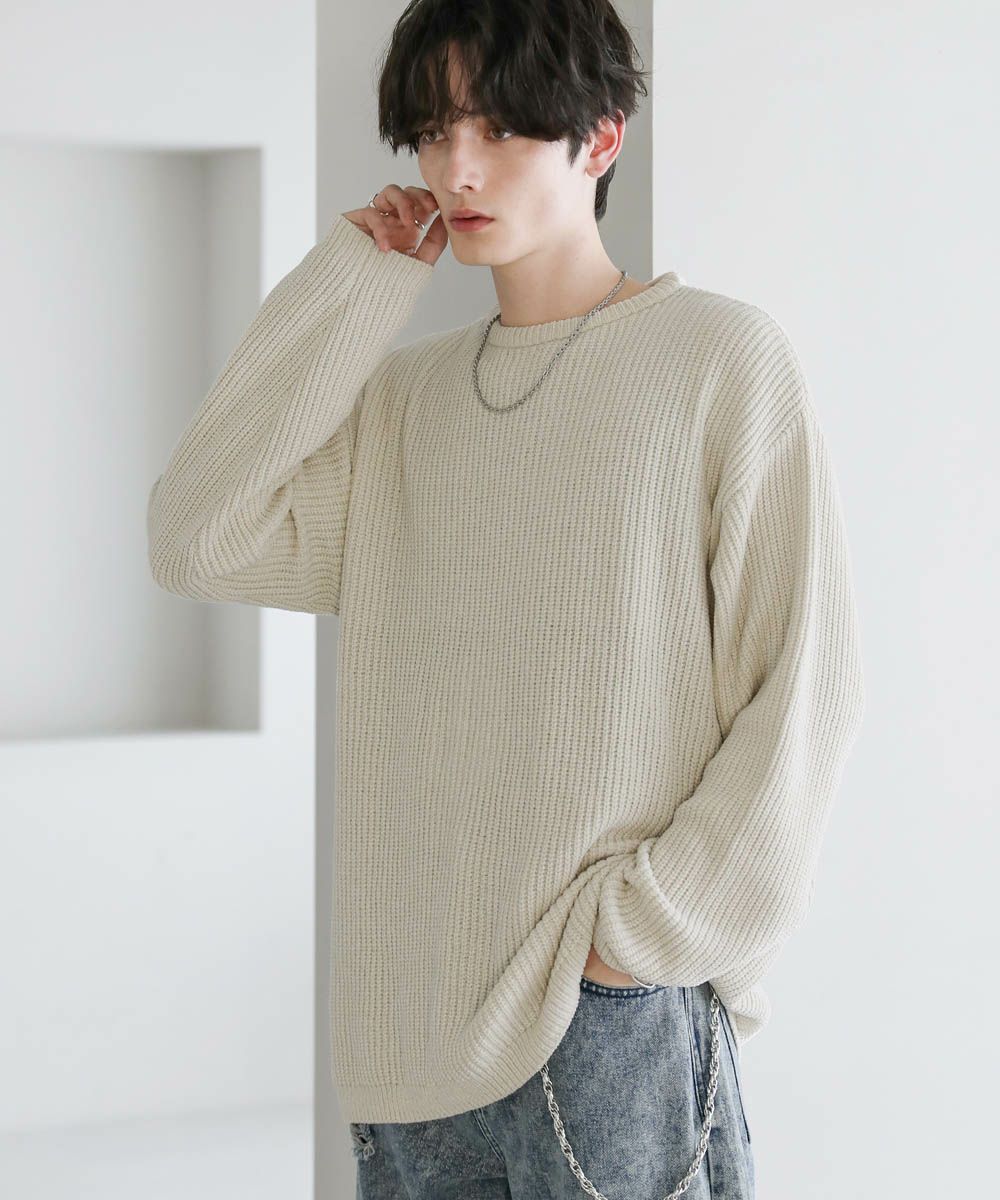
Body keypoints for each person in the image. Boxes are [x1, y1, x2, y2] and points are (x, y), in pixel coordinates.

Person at [146, 2, 866, 1197]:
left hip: (606, 1025)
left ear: (601, 136)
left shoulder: (716, 360)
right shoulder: (403, 401)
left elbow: (804, 685)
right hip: (408, 1044)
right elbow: (196, 537)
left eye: (499, 128)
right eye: (433, 133)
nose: (457, 169)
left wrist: (639, 943)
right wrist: (354, 283)